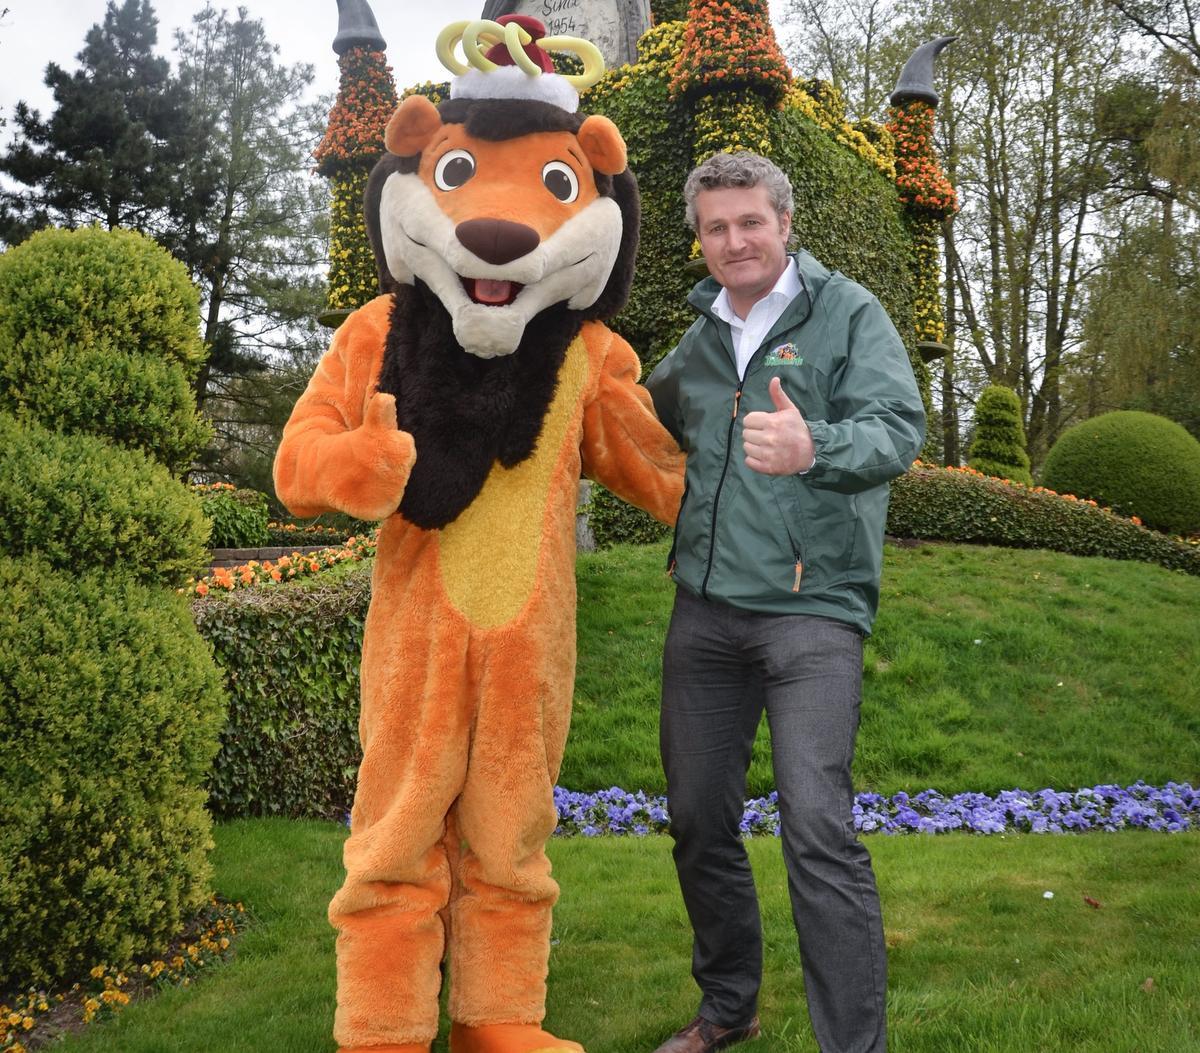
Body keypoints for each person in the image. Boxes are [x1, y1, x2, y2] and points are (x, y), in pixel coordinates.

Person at [643, 151, 926, 1053]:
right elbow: (629, 422)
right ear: (701, 238)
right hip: (706, 612)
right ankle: (728, 1006)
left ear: (785, 223)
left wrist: (816, 445)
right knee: (696, 817)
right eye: (717, 227)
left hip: (815, 611)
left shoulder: (846, 313)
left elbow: (896, 429)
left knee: (815, 823)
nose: (735, 241)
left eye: (750, 222)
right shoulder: (696, 341)